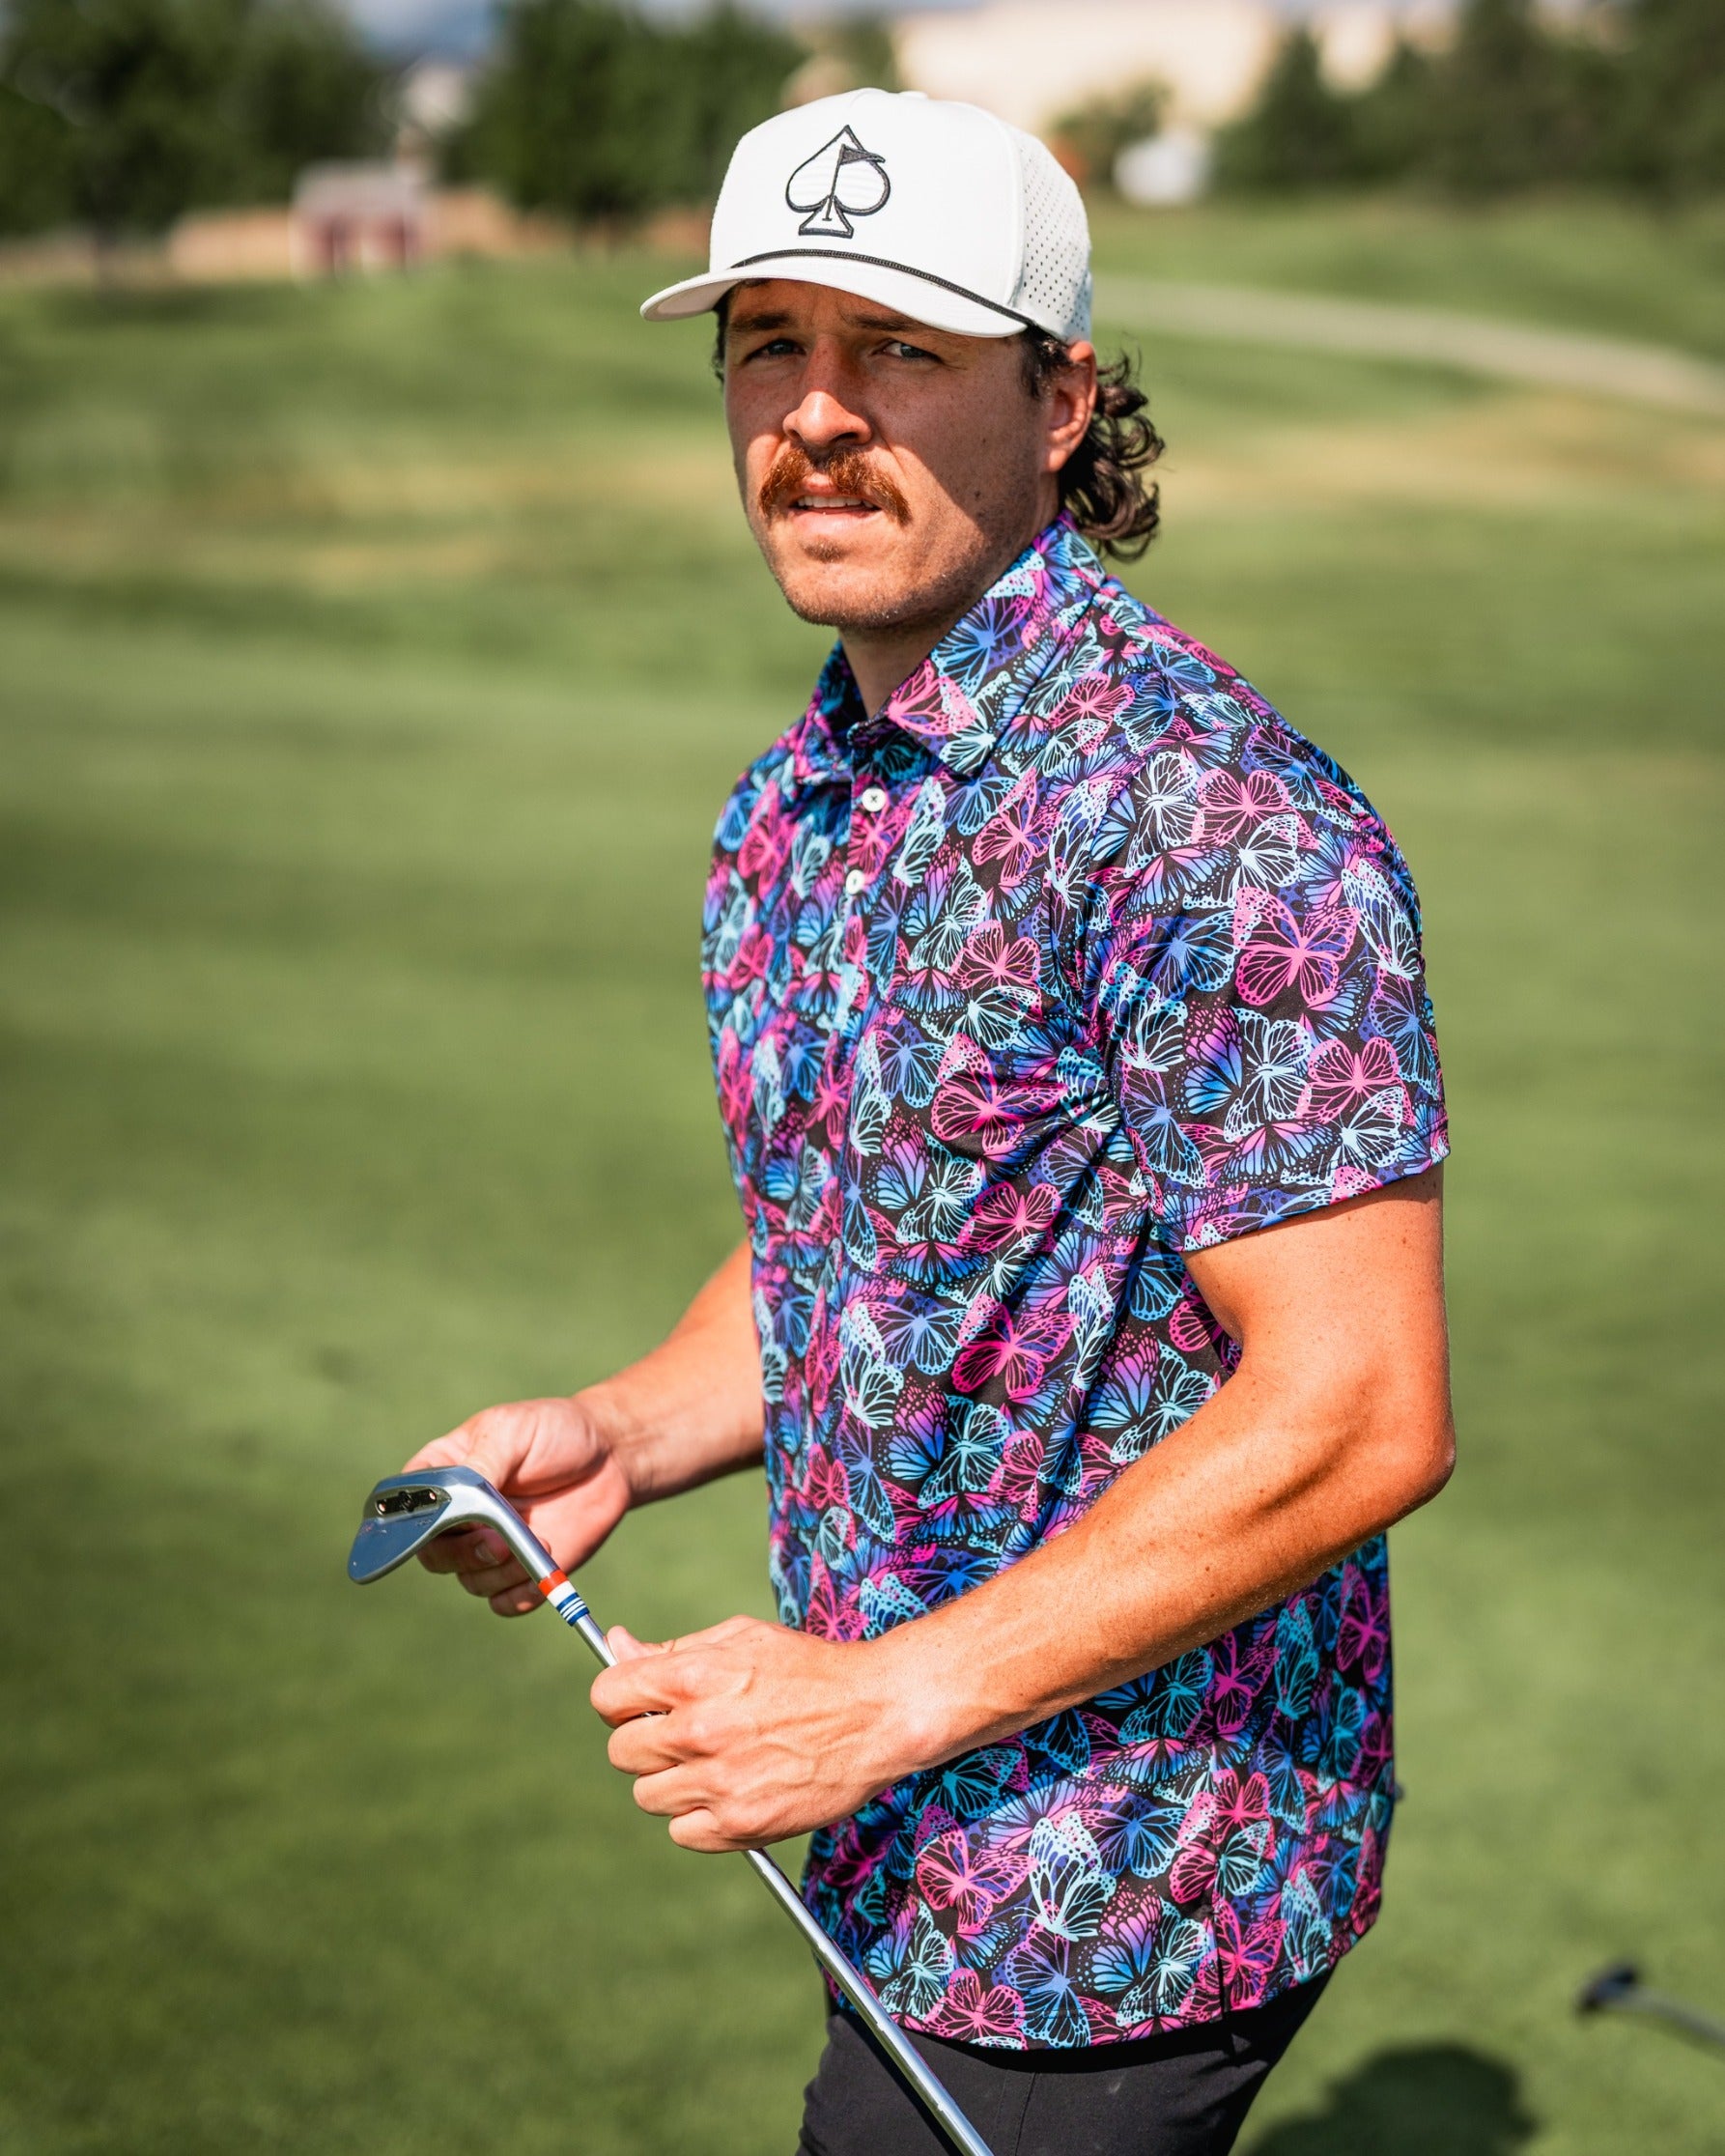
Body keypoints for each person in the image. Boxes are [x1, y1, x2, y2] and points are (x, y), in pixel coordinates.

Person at [402, 89, 1455, 2156]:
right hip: (906, 1820)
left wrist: (873, 1700)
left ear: (1060, 402)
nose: (812, 412)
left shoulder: (1208, 818)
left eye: (897, 348)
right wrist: (625, 1429)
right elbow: (883, 1241)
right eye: (764, 345)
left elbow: (1359, 1402)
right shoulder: (798, 800)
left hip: (1121, 1877)